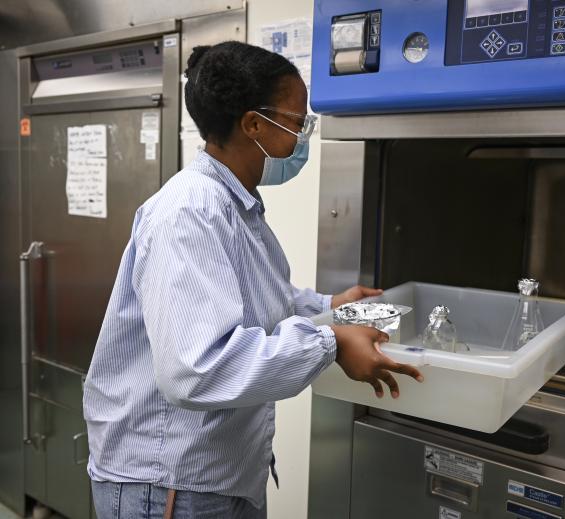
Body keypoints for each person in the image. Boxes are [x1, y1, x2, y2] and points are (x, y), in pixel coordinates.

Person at [83, 40, 423, 518]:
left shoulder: (235, 207)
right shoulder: (190, 213)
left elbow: (263, 302)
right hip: (167, 483)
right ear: (254, 124)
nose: (302, 137)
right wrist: (331, 342)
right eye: (298, 121)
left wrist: (330, 304)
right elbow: (197, 371)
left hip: (214, 474)